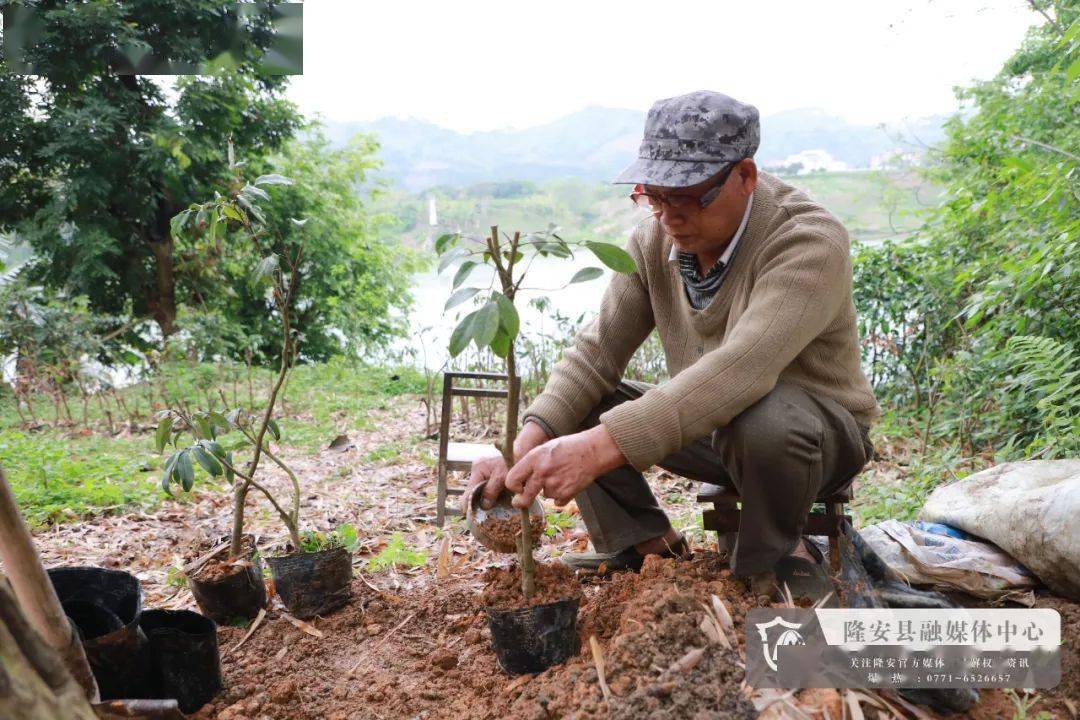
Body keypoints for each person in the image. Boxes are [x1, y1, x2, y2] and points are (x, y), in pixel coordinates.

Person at [463, 90, 880, 600]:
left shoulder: (808, 241)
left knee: (764, 415)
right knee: (585, 401)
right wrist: (521, 446)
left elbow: (741, 371)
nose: (668, 217)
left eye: (687, 197)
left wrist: (596, 449)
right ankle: (646, 545)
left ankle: (776, 554)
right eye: (654, 196)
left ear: (745, 177)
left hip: (813, 436)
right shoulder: (655, 239)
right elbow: (595, 356)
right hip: (720, 430)